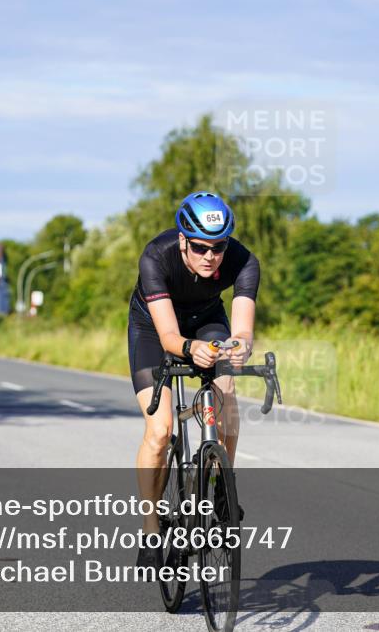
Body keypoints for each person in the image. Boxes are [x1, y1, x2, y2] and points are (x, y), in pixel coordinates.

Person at [127, 192, 259, 569]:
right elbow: (169, 337)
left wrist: (241, 346)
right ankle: (151, 527)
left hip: (207, 318)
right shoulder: (156, 256)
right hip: (154, 328)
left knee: (227, 390)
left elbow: (244, 329)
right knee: (160, 430)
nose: (210, 256)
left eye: (218, 247)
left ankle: (221, 489)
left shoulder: (244, 260)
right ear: (184, 239)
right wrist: (190, 347)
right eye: (200, 247)